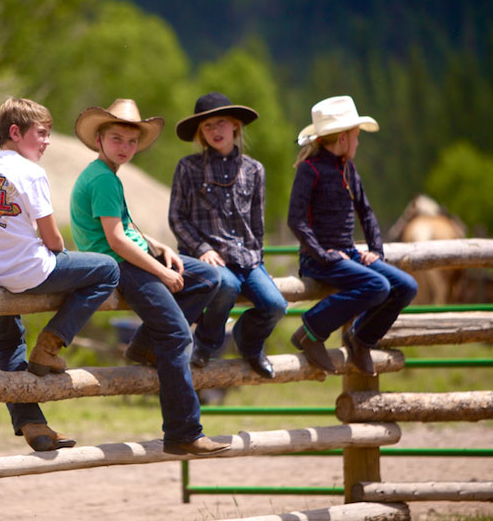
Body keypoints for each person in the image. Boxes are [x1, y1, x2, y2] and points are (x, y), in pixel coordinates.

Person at [0, 97, 119, 452]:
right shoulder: (29, 171)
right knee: (107, 269)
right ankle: (51, 344)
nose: (46, 142)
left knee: (7, 343)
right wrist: (56, 254)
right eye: (41, 133)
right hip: (26, 270)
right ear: (15, 132)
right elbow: (52, 238)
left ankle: (33, 425)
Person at [70, 98, 228, 456]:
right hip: (118, 265)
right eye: (116, 140)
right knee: (175, 336)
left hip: (130, 256)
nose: (124, 147)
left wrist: (158, 247)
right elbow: (115, 240)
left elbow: (123, 225)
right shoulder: (103, 179)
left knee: (207, 277)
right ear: (99, 140)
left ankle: (143, 344)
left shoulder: (106, 174)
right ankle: (182, 432)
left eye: (130, 141)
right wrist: (159, 270)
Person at [287, 95, 418, 376]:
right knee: (378, 286)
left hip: (348, 253)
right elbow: (296, 220)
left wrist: (376, 250)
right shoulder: (309, 171)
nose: (358, 143)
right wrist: (321, 254)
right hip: (318, 259)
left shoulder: (348, 168)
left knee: (406, 286)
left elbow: (366, 211)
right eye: (357, 136)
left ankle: (361, 338)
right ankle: (311, 329)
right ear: (344, 138)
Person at [169, 92, 287, 379]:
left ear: (235, 125)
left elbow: (256, 224)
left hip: (247, 258)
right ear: (200, 133)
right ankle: (207, 344)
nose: (214, 131)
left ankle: (249, 341)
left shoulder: (254, 169)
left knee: (276, 305)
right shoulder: (188, 168)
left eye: (220, 123)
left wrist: (258, 261)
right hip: (211, 258)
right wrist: (200, 249)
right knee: (227, 286)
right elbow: (177, 217)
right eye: (207, 127)